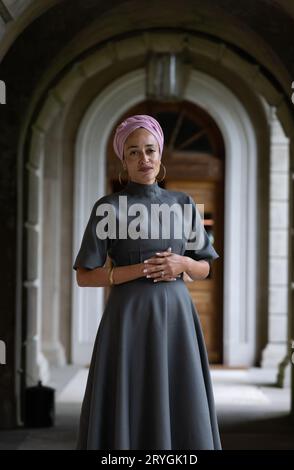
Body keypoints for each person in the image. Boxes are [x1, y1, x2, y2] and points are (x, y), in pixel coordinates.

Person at [72, 114, 222, 450]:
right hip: (128, 319)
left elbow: (205, 268)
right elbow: (85, 276)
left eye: (150, 150)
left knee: (180, 401)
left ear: (161, 154)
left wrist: (184, 263)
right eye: (134, 152)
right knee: (132, 397)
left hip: (177, 319)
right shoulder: (107, 208)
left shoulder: (183, 204)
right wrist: (142, 269)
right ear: (123, 161)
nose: (145, 159)